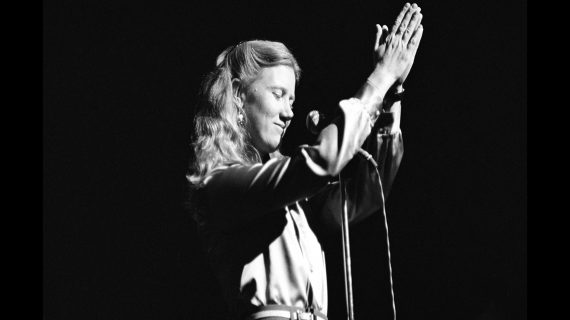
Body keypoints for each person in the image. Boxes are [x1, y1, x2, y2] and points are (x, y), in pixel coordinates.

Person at [186, 3, 424, 319]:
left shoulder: (292, 198)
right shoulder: (221, 183)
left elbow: (363, 195)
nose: (289, 113)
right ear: (239, 94)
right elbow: (323, 160)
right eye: (278, 94)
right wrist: (378, 79)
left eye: (293, 100)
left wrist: (391, 95)